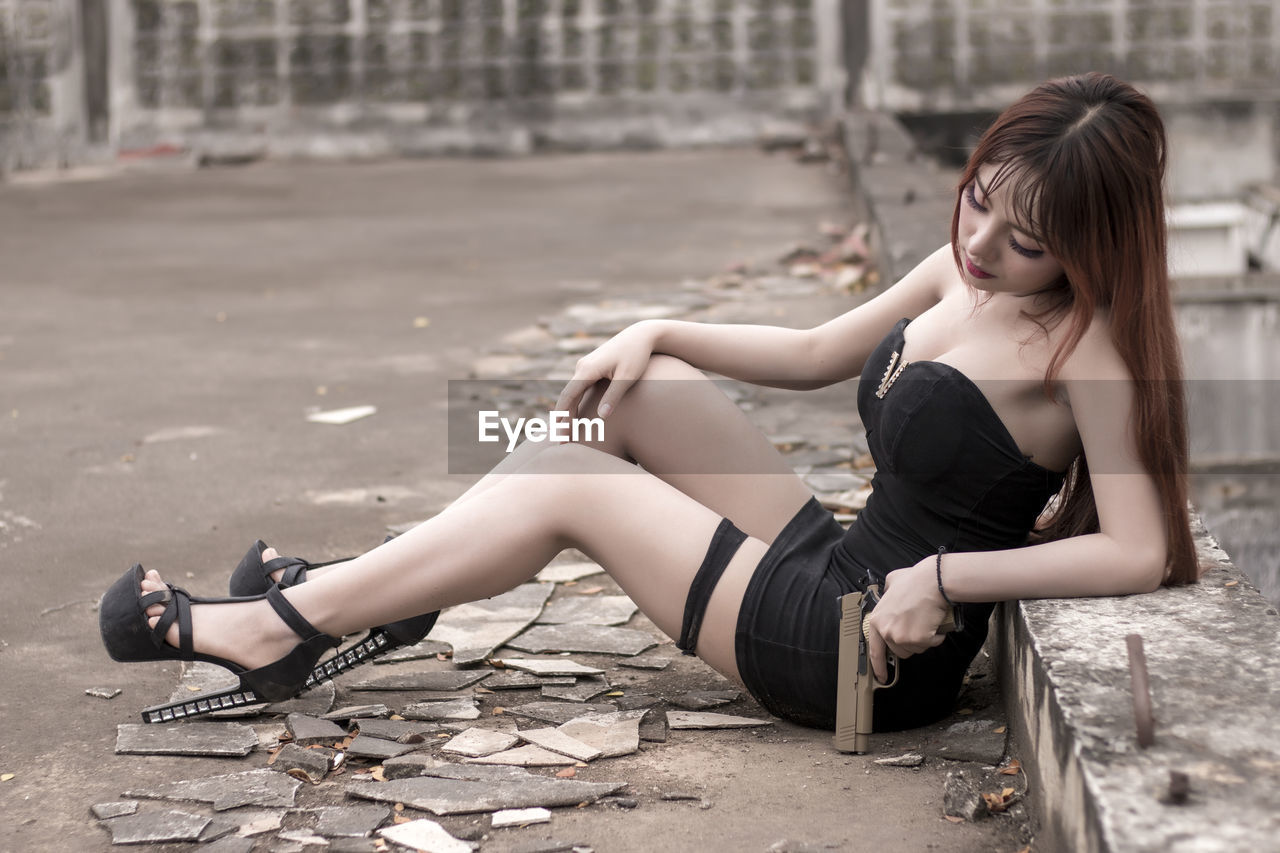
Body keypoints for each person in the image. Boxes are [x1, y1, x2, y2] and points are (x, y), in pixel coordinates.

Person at [100, 72, 1200, 731]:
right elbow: (817, 349)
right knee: (632, 394)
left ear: (1088, 247)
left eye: (1024, 239)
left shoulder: (1084, 355)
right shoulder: (955, 268)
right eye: (976, 201)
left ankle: (278, 627)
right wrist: (659, 329)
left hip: (860, 649)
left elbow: (1139, 553)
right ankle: (370, 588)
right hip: (833, 561)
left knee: (562, 475)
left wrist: (947, 576)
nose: (978, 242)